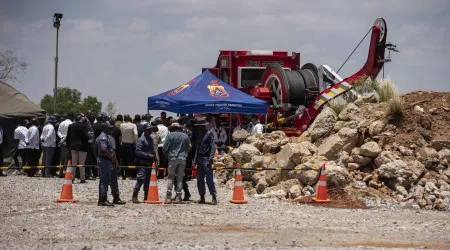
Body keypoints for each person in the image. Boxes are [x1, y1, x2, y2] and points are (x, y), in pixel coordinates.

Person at [163, 122, 191, 204]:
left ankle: (168, 197)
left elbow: (165, 148)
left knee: (171, 177)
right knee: (180, 178)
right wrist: (185, 155)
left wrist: (168, 155)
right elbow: (189, 148)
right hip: (182, 158)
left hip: (172, 158)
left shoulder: (170, 136)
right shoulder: (185, 136)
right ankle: (179, 197)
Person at [193, 117, 217, 205]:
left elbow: (212, 147)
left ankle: (214, 197)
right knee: (199, 179)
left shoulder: (209, 134)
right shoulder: (200, 135)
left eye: (200, 126)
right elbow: (197, 149)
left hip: (206, 159)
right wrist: (195, 160)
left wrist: (211, 158)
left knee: (209, 179)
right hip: (199, 159)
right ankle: (202, 197)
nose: (199, 128)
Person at [132, 123, 157, 203]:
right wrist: (147, 155)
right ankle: (134, 196)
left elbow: (153, 150)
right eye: (149, 129)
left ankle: (146, 196)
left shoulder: (151, 139)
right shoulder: (141, 139)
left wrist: (154, 158)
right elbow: (137, 151)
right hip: (143, 162)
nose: (150, 131)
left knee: (148, 180)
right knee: (140, 179)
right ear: (145, 130)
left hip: (150, 162)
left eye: (151, 129)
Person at [95, 123, 118, 207]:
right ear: (104, 128)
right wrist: (112, 157)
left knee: (103, 181)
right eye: (109, 128)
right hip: (104, 160)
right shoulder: (103, 137)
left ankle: (101, 199)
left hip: (105, 160)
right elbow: (104, 150)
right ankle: (103, 200)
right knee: (105, 181)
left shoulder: (106, 136)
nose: (111, 130)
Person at [106, 125, 126, 205]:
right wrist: (116, 162)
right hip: (110, 161)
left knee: (104, 181)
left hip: (103, 161)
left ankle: (103, 198)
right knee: (113, 180)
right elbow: (113, 152)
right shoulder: (111, 139)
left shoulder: (100, 137)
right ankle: (116, 197)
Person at [66, 115, 90, 183]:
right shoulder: (84, 126)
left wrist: (68, 147)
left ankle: (72, 177)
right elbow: (86, 136)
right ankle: (82, 178)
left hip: (73, 146)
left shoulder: (71, 126)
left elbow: (68, 137)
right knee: (82, 163)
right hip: (82, 146)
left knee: (74, 162)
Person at [119, 114, 138, 179]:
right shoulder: (133, 125)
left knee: (123, 160)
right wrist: (136, 141)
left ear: (124, 118)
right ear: (129, 118)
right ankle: (128, 174)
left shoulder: (121, 125)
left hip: (123, 144)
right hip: (130, 145)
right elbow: (135, 134)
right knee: (130, 160)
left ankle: (122, 175)